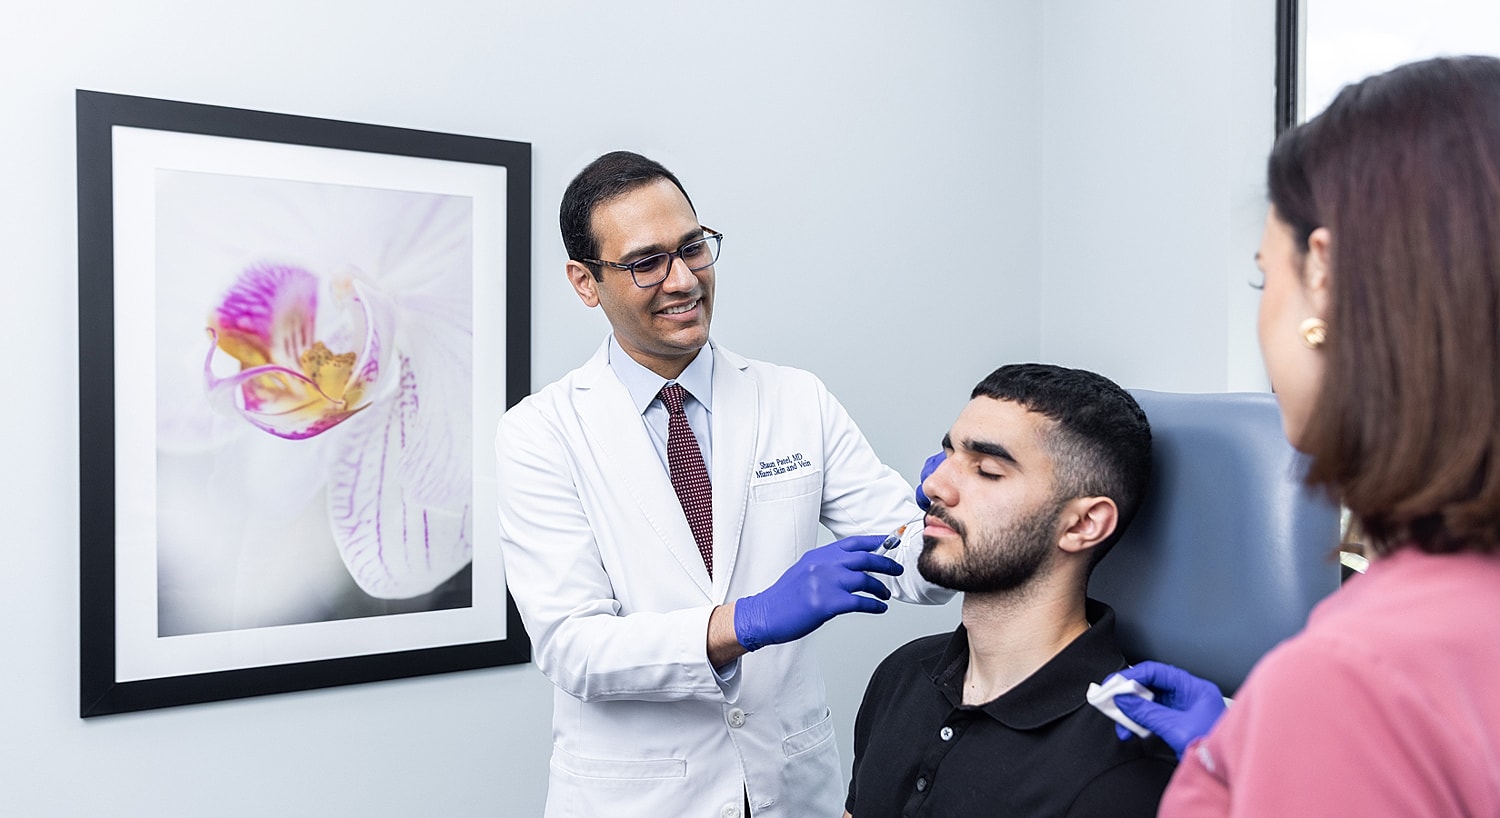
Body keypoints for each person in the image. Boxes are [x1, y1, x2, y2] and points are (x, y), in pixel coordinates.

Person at [494, 150, 953, 818]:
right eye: (647, 262)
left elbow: (912, 562)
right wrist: (743, 622)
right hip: (639, 799)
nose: (683, 279)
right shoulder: (541, 433)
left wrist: (953, 520)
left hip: (792, 788)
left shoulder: (795, 399)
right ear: (585, 282)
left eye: (694, 248)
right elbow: (573, 647)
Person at [1106, 55, 1500, 815]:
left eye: (1263, 278)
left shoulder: (1360, 679)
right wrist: (1249, 744)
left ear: (1324, 274)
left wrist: (1307, 733)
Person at [844, 363, 1178, 818]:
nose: (932, 486)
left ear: (1082, 524)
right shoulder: (902, 675)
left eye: (986, 470)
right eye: (947, 456)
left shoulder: (1123, 762)